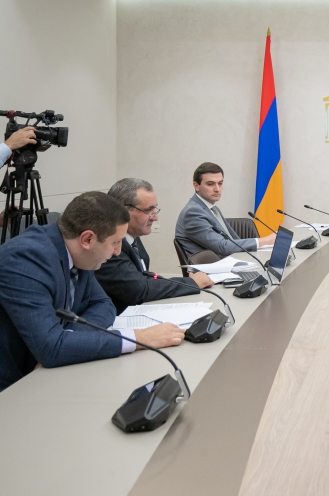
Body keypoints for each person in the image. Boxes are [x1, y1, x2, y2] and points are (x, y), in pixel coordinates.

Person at [0, 192, 185, 392]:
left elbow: (104, 304)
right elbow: (50, 348)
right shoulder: (24, 259)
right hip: (15, 388)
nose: (117, 252)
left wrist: (67, 339)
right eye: (115, 242)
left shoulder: (78, 252)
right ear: (87, 239)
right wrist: (140, 338)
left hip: (53, 374)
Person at [96, 178, 214, 315]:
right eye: (148, 210)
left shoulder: (133, 235)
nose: (155, 217)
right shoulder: (108, 246)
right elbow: (139, 290)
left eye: (155, 208)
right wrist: (191, 283)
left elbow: (143, 279)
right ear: (122, 211)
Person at [175, 162, 275, 256]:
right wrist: (265, 241)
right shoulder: (192, 212)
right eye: (210, 184)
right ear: (196, 186)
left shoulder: (213, 208)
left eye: (220, 183)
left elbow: (233, 240)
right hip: (211, 267)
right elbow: (222, 246)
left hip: (229, 261)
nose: (217, 189)